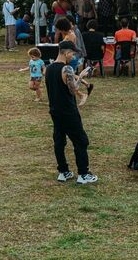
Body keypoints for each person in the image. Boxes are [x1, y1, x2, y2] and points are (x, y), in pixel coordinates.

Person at [45, 41, 97, 184]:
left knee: (59, 141)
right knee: (81, 141)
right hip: (68, 111)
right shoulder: (66, 69)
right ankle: (83, 174)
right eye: (72, 54)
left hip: (55, 110)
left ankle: (63, 171)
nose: (73, 57)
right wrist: (81, 76)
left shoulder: (49, 68)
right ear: (66, 53)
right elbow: (73, 89)